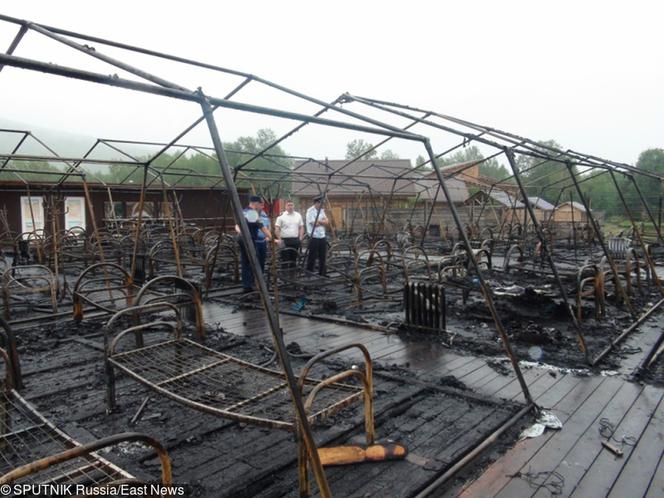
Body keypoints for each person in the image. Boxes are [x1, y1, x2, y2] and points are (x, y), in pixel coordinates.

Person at [235, 195, 272, 293]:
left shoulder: (243, 211)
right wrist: (272, 238)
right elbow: (263, 228)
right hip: (247, 239)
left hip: (242, 238)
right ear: (255, 203)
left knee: (246, 262)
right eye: (261, 205)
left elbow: (238, 226)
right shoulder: (252, 213)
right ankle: (250, 285)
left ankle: (247, 285)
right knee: (253, 261)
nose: (261, 207)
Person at [275, 200, 304, 269]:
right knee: (284, 259)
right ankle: (284, 276)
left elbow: (301, 227)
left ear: (294, 206)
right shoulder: (281, 216)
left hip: (295, 240)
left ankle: (293, 274)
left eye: (291, 205)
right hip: (284, 240)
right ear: (285, 207)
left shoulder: (298, 215)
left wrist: (300, 237)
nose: (290, 207)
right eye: (288, 205)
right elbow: (277, 228)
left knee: (294, 258)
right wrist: (279, 240)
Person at [305, 195, 329, 276]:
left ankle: (322, 273)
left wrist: (320, 222)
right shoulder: (310, 211)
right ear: (316, 203)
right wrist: (322, 222)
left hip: (322, 236)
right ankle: (309, 274)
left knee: (323, 256)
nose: (322, 205)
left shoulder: (322, 210)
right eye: (321, 203)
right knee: (312, 256)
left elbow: (327, 222)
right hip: (313, 236)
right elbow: (313, 223)